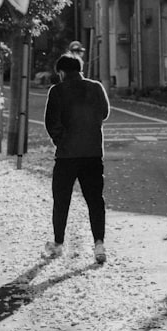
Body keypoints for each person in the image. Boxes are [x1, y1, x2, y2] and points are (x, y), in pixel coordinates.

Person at [43, 53, 110, 264]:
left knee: (61, 200)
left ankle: (58, 244)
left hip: (66, 156)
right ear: (80, 69)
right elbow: (105, 113)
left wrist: (61, 140)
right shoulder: (96, 87)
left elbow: (50, 121)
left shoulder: (57, 91)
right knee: (95, 200)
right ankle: (99, 244)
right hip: (92, 154)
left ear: (61, 72)